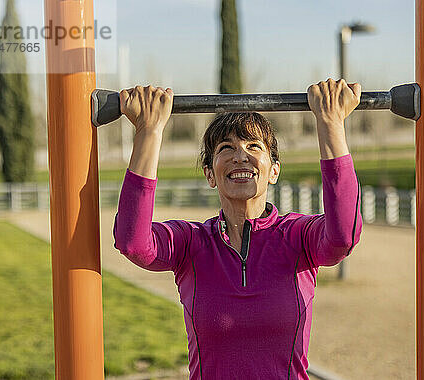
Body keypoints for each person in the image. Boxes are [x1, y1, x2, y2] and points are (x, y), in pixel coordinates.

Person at [113, 78, 363, 379]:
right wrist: (148, 132)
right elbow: (133, 242)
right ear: (210, 174)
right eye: (226, 147)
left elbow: (343, 236)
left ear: (273, 170)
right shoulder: (191, 244)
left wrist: (331, 123)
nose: (240, 155)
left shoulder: (297, 237)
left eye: (253, 146)